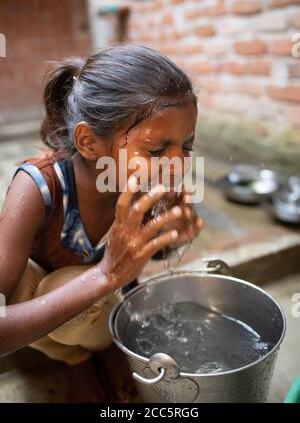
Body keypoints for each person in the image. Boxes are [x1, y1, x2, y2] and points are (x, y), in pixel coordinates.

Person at [0, 43, 203, 401]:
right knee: (36, 286)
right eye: (156, 150)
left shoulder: (146, 184)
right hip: (57, 313)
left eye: (186, 146)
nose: (178, 164)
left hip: (102, 311)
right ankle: (77, 359)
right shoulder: (37, 188)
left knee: (97, 304)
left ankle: (107, 348)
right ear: (89, 142)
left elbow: (146, 258)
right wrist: (106, 273)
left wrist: (172, 237)